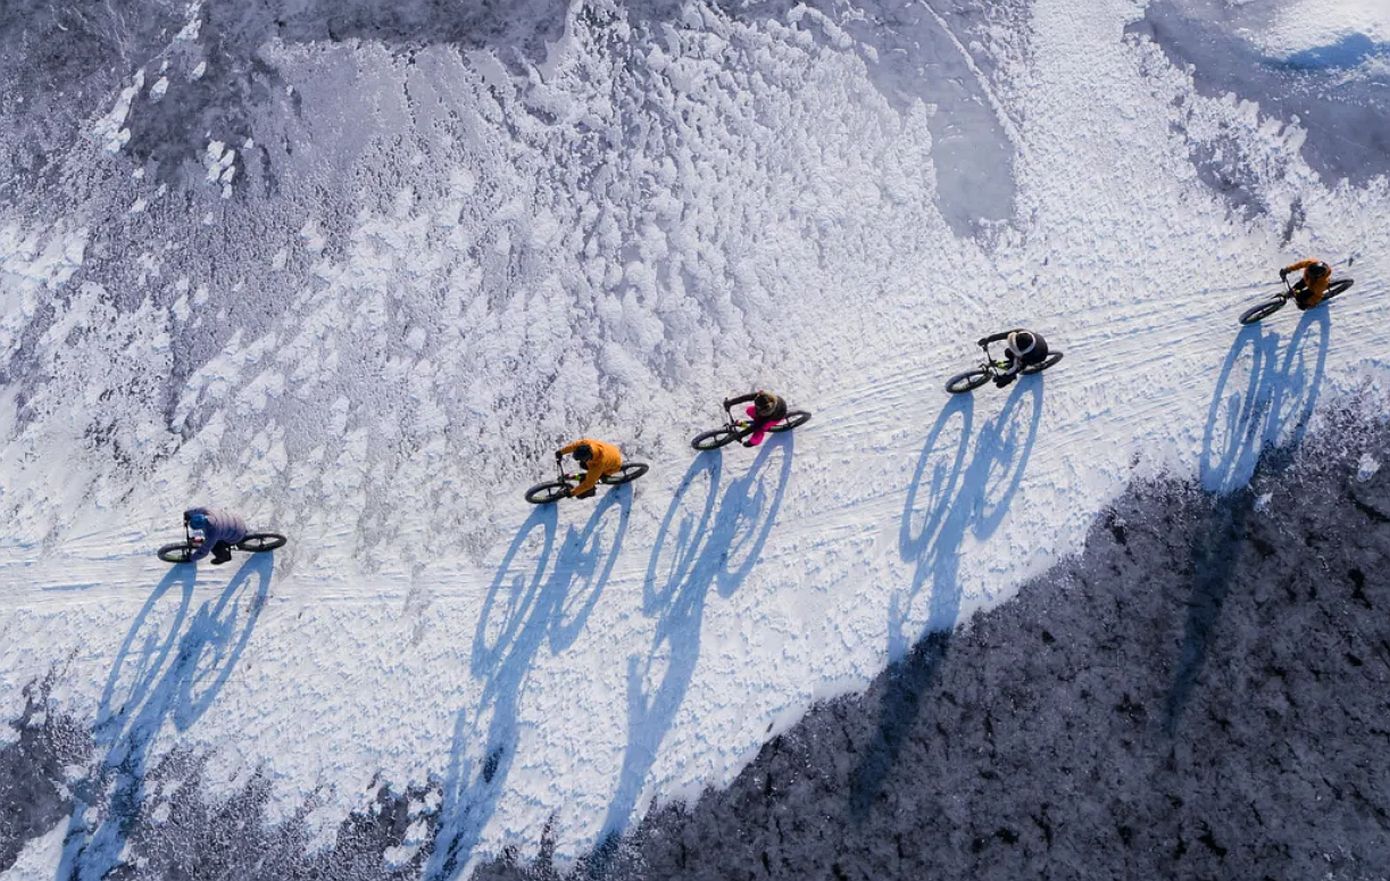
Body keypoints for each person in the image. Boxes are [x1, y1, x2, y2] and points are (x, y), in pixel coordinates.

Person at [978, 329, 1049, 388]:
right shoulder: (1022, 333)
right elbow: (1004, 335)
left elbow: (1018, 367)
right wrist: (988, 339)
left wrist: (1004, 377)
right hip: (1036, 343)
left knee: (1004, 380)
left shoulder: (1030, 355)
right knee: (1008, 352)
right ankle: (1011, 363)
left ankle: (1011, 378)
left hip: (1038, 356)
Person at [556, 439, 623, 499]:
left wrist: (572, 493)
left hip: (614, 466)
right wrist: (561, 452)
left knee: (582, 490)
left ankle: (591, 492)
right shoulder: (587, 444)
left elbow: (588, 484)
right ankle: (577, 477)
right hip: (612, 451)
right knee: (583, 465)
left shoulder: (598, 465)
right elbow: (574, 446)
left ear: (587, 458)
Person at [183, 507, 248, 565]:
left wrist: (191, 558)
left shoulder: (212, 533)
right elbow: (195, 510)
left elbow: (203, 551)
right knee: (213, 539)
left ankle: (224, 557)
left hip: (237, 535)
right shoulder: (206, 511)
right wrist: (187, 515)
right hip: (238, 521)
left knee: (214, 546)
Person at [723, 390, 788, 447]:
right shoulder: (763, 396)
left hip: (776, 417)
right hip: (766, 411)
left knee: (759, 431)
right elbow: (745, 398)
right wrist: (731, 402)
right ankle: (752, 422)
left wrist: (740, 435)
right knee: (749, 410)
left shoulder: (769, 415)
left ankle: (753, 443)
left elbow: (755, 427)